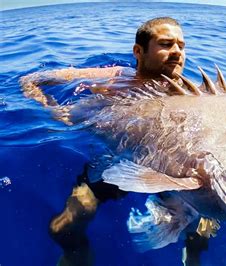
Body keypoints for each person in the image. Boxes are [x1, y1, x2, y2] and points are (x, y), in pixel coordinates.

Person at [20, 17, 212, 266]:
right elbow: (31, 80)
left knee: (206, 222)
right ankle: (76, 256)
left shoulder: (196, 95)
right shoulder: (114, 77)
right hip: (114, 159)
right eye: (166, 44)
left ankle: (194, 255)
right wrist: (52, 109)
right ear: (138, 51)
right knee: (63, 227)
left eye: (182, 46)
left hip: (172, 169)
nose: (177, 52)